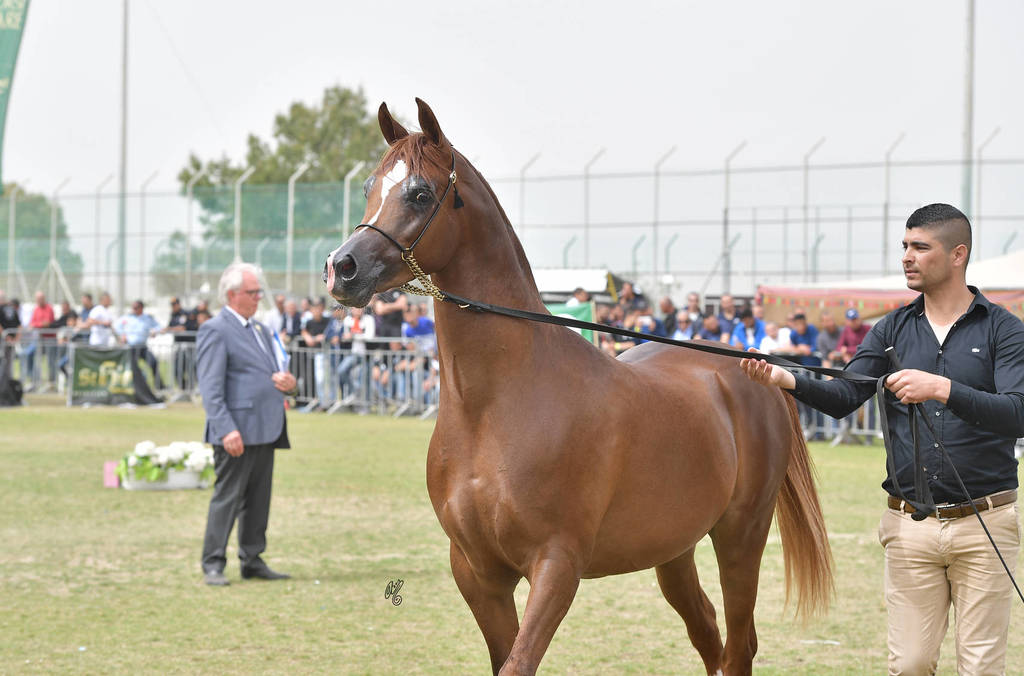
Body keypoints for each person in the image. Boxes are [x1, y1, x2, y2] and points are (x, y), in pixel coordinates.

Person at [740, 204, 1024, 674]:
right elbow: (844, 394)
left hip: (987, 524)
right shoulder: (890, 330)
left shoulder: (1004, 331)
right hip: (909, 526)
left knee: (980, 668)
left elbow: (1019, 412)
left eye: (920, 247)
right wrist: (782, 376)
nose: (907, 257)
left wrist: (942, 388)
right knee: (909, 665)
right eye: (905, 247)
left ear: (958, 254)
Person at [197, 262, 296, 586]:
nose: (258, 298)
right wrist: (226, 429)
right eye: (252, 293)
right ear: (232, 294)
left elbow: (274, 371)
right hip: (236, 431)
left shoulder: (262, 329)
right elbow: (210, 388)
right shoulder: (216, 329)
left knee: (258, 500)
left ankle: (252, 559)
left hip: (266, 428)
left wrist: (288, 383)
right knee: (227, 499)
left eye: (258, 292)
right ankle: (213, 562)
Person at [116, 300, 165, 391]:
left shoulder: (147, 318)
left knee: (153, 362)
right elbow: (117, 326)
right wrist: (122, 335)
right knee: (134, 367)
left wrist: (155, 331)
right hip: (131, 347)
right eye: (133, 308)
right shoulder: (127, 318)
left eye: (136, 308)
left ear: (141, 308)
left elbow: (159, 327)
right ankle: (136, 387)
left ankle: (159, 386)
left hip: (142, 347)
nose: (133, 310)